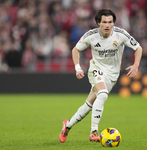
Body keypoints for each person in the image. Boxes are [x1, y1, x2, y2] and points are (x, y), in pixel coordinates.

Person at [59, 9, 142, 143]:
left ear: (113, 23)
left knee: (88, 105)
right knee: (102, 94)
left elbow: (138, 48)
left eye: (110, 22)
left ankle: (67, 125)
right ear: (98, 23)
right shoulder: (91, 35)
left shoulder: (121, 34)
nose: (107, 25)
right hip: (96, 70)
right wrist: (77, 67)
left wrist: (136, 64)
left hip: (112, 75)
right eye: (104, 22)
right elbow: (75, 49)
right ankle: (93, 131)